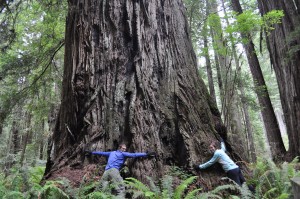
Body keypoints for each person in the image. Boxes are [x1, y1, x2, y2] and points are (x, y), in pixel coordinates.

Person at [86, 143, 156, 198]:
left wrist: (91, 152)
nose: (124, 150)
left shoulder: (111, 153)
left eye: (125, 149)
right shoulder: (122, 154)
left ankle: (94, 197)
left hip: (106, 172)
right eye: (123, 148)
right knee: (121, 188)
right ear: (119, 148)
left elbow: (101, 153)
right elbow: (134, 155)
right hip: (113, 171)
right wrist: (146, 154)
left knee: (100, 188)